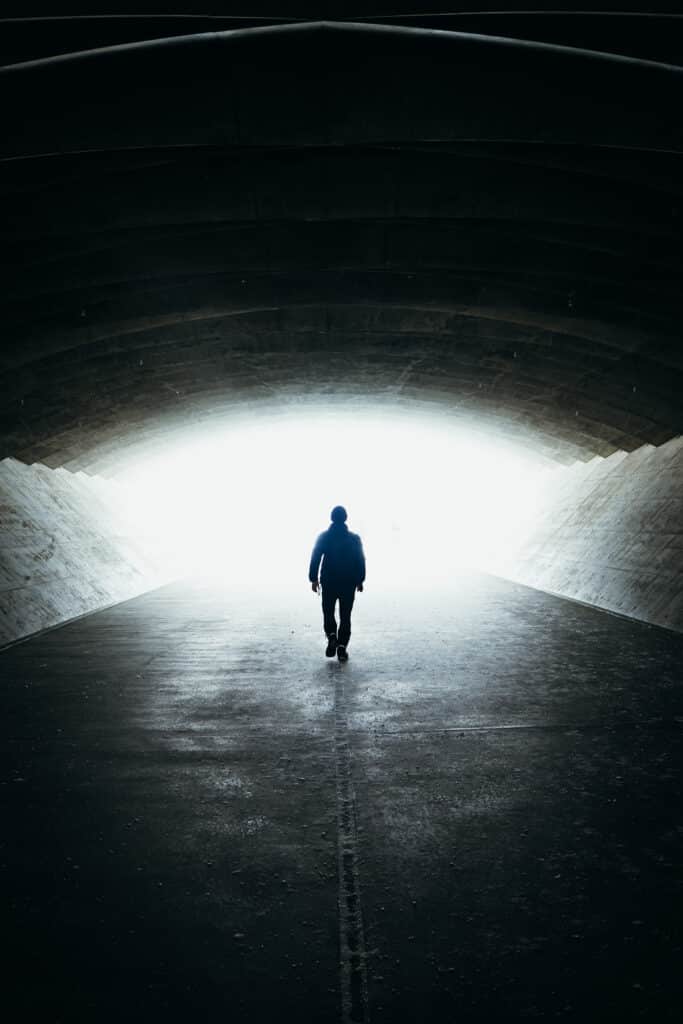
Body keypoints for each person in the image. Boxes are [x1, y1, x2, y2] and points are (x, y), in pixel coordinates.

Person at [309, 506, 365, 662]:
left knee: (328, 612)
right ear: (345, 518)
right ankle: (342, 648)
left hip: (329, 580)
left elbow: (315, 558)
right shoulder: (354, 538)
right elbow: (360, 560)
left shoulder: (324, 537)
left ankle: (332, 636)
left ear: (331, 518)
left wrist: (314, 579)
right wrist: (360, 580)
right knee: (345, 615)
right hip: (348, 582)